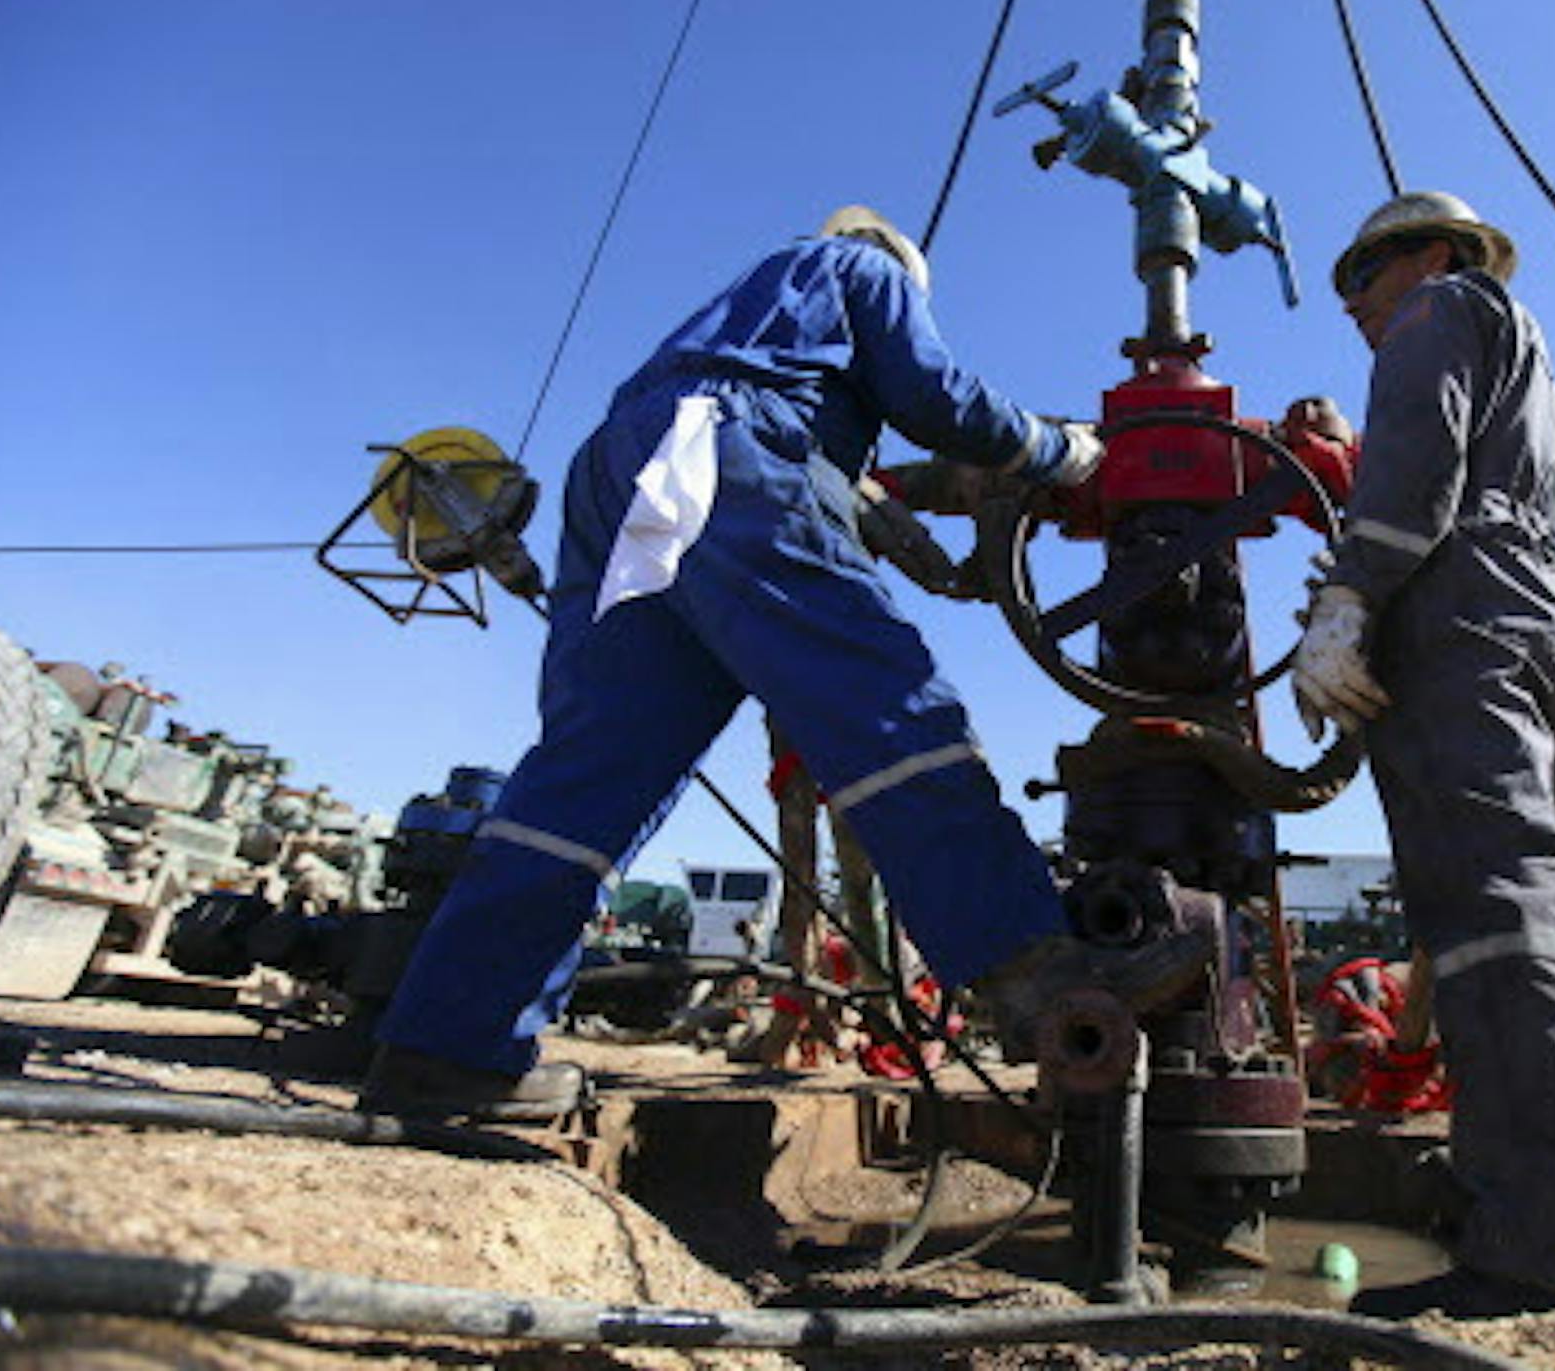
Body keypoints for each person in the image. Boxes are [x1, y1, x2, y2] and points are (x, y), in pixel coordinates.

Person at [363, 205, 1206, 1119]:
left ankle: (448, 1046)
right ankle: (1033, 966)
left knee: (587, 776)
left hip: (620, 480)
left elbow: (850, 495)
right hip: (724, 452)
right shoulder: (855, 269)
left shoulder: (747, 323)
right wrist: (1058, 452)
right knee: (887, 711)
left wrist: (911, 541)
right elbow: (934, 396)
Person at [1291, 192, 1555, 1316]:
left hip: (1462, 613)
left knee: (1495, 917)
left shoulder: (1442, 309)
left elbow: (1418, 460)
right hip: (1543, 620)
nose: (1356, 308)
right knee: (1550, 917)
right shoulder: (1537, 366)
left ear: (1424, 255)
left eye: (1360, 279)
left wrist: (1350, 594)